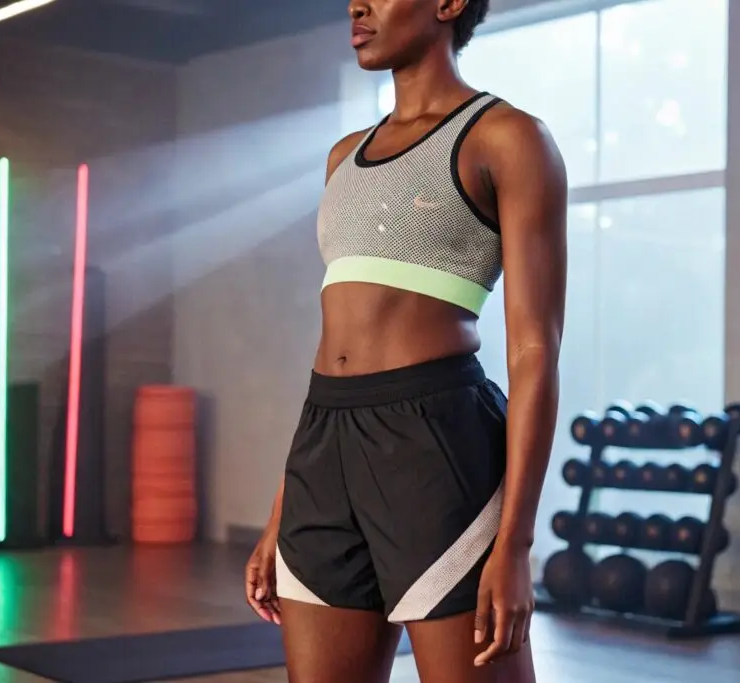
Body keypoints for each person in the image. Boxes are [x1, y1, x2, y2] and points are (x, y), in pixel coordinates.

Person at [244, 1, 567, 681]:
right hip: (323, 445)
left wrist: (516, 543)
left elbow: (535, 349)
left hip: (436, 442)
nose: (357, 6)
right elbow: (336, 339)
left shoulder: (507, 138)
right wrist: (284, 507)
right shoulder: (343, 157)